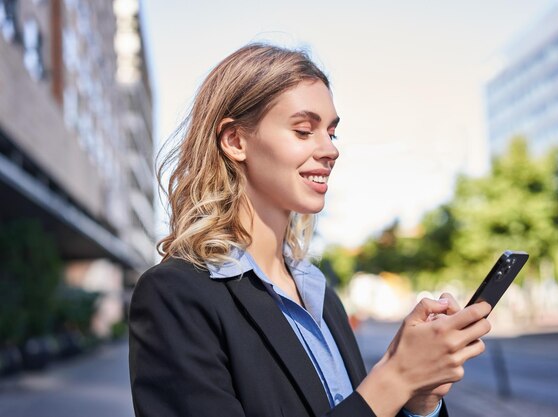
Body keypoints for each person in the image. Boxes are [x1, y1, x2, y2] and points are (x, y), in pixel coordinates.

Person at [128, 43, 492, 417]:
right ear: (235, 140)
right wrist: (393, 379)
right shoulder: (175, 295)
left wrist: (418, 400)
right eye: (304, 130)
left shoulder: (320, 295)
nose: (330, 150)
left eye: (331, 133)